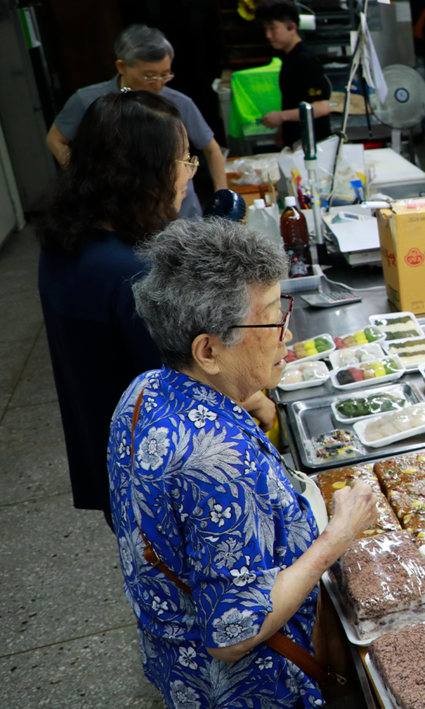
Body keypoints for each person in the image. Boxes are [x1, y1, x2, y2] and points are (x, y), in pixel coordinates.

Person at [110, 217, 376, 708]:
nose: (287, 331)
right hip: (243, 688)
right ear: (208, 349)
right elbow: (233, 634)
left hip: (172, 657)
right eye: (272, 317)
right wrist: (338, 536)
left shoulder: (143, 389)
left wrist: (239, 395)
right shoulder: (216, 463)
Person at [38, 91, 276, 531]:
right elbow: (186, 378)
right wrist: (254, 394)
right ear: (141, 174)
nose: (189, 174)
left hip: (111, 450)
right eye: (183, 161)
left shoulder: (66, 240)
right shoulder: (129, 273)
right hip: (163, 469)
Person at [45, 24, 226, 218]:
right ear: (122, 66)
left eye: (165, 74)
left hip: (181, 213)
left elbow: (212, 149)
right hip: (121, 214)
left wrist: (222, 199)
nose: (158, 83)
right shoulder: (89, 101)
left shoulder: (180, 103)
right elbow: (55, 139)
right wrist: (85, 178)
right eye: (149, 76)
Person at [255, 0, 332, 148]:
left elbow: (321, 107)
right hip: (297, 143)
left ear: (292, 27)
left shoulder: (306, 60)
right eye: (266, 29)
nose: (268, 35)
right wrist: (283, 130)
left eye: (273, 29)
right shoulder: (288, 58)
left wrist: (281, 116)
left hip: (315, 146)